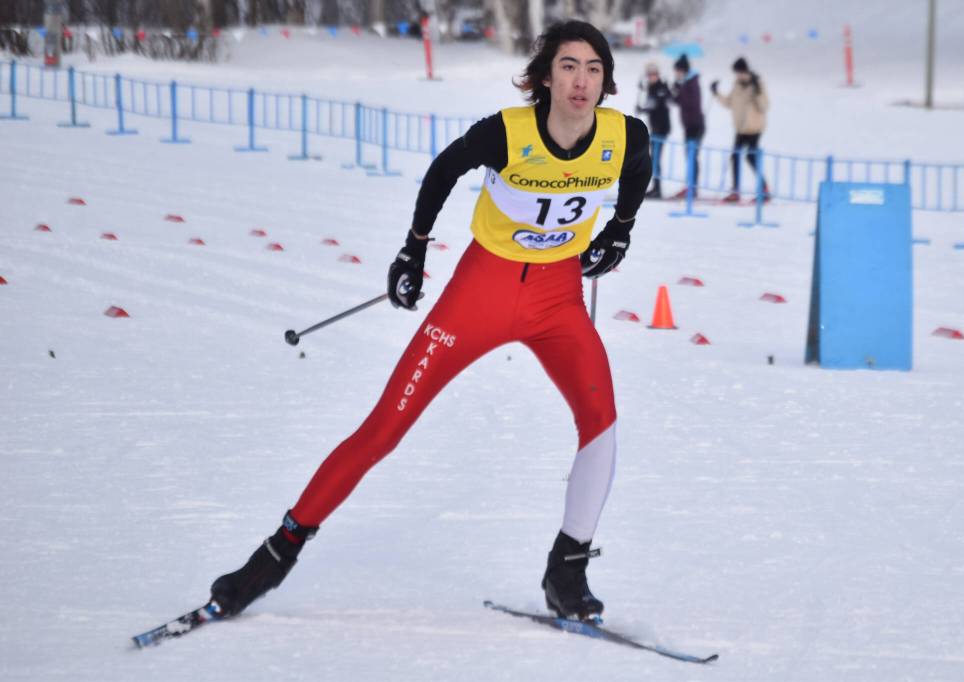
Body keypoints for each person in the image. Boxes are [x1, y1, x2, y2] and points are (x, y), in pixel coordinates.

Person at [206, 20, 652, 624]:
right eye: (569, 66)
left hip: (558, 299)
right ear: (546, 77)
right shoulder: (508, 133)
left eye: (594, 69)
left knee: (601, 424)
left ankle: (566, 571)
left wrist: (619, 232)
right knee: (386, 427)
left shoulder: (624, 136)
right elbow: (444, 171)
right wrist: (414, 249)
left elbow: (637, 173)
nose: (582, 80)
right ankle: (274, 554)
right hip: (481, 294)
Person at [711, 57, 769, 202]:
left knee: (751, 157)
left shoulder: (757, 84)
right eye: (736, 73)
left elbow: (764, 106)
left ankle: (764, 188)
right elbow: (729, 103)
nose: (738, 76)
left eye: (740, 72)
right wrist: (716, 92)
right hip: (740, 129)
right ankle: (735, 191)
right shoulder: (737, 85)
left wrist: (757, 91)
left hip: (754, 129)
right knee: (735, 157)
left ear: (746, 71)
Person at [669, 54, 705, 199]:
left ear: (682, 70)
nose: (676, 74)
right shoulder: (686, 83)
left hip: (695, 125)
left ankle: (693, 187)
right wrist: (674, 92)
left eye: (677, 71)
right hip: (689, 125)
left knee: (692, 156)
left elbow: (691, 103)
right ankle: (690, 186)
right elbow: (679, 101)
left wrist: (679, 89)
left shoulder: (691, 83)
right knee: (689, 156)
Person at [636, 61, 671, 199]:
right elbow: (650, 104)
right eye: (649, 75)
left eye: (654, 74)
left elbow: (657, 103)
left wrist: (643, 108)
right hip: (655, 127)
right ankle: (655, 187)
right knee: (653, 159)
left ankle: (658, 189)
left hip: (661, 127)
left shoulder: (661, 87)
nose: (652, 77)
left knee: (655, 158)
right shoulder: (651, 87)